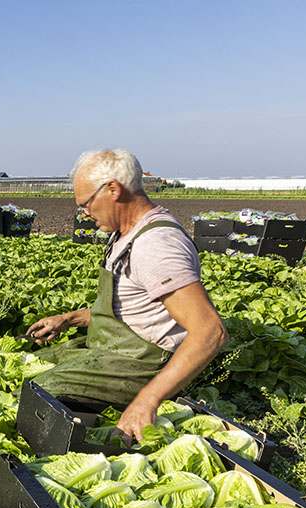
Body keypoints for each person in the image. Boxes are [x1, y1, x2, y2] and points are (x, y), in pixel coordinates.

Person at [26, 148, 228, 443]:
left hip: (144, 363)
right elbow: (131, 310)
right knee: (35, 362)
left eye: (86, 203)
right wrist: (68, 319)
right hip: (116, 348)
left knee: (41, 389)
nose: (84, 213)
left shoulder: (156, 245)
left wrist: (147, 400)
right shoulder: (125, 233)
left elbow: (210, 331)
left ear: (112, 189)